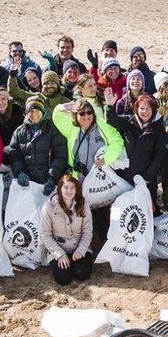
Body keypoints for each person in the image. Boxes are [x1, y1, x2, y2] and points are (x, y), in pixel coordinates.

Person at [52, 98, 126, 248]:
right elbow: (57, 118)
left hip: (99, 175)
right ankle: (87, 241)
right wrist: (61, 106)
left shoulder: (101, 126)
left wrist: (107, 158)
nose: (86, 116)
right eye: (81, 113)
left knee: (101, 206)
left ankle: (104, 238)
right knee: (82, 209)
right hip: (79, 176)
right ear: (75, 116)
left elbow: (117, 141)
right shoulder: (71, 128)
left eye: (89, 112)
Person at [103, 91, 167, 207]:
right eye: (141, 108)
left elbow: (160, 155)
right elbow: (112, 120)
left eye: (148, 108)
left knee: (146, 209)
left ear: (153, 110)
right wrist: (110, 106)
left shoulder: (158, 128)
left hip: (147, 178)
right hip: (127, 176)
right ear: (136, 109)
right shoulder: (129, 122)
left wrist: (147, 176)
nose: (144, 112)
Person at [6, 97, 67, 196]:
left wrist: (53, 177)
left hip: (48, 180)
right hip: (28, 183)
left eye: (37, 110)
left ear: (43, 111)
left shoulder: (52, 129)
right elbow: (15, 155)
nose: (34, 114)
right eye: (31, 111)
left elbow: (60, 155)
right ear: (26, 113)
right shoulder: (19, 131)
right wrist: (20, 172)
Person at [40, 174, 94, 286]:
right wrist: (59, 254)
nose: (68, 191)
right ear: (59, 189)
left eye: (72, 188)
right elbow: (45, 235)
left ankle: (76, 264)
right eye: (65, 187)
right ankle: (64, 264)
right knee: (63, 279)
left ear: (76, 190)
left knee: (82, 273)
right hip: (59, 248)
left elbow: (87, 231)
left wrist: (81, 250)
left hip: (78, 248)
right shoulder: (48, 207)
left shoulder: (83, 204)